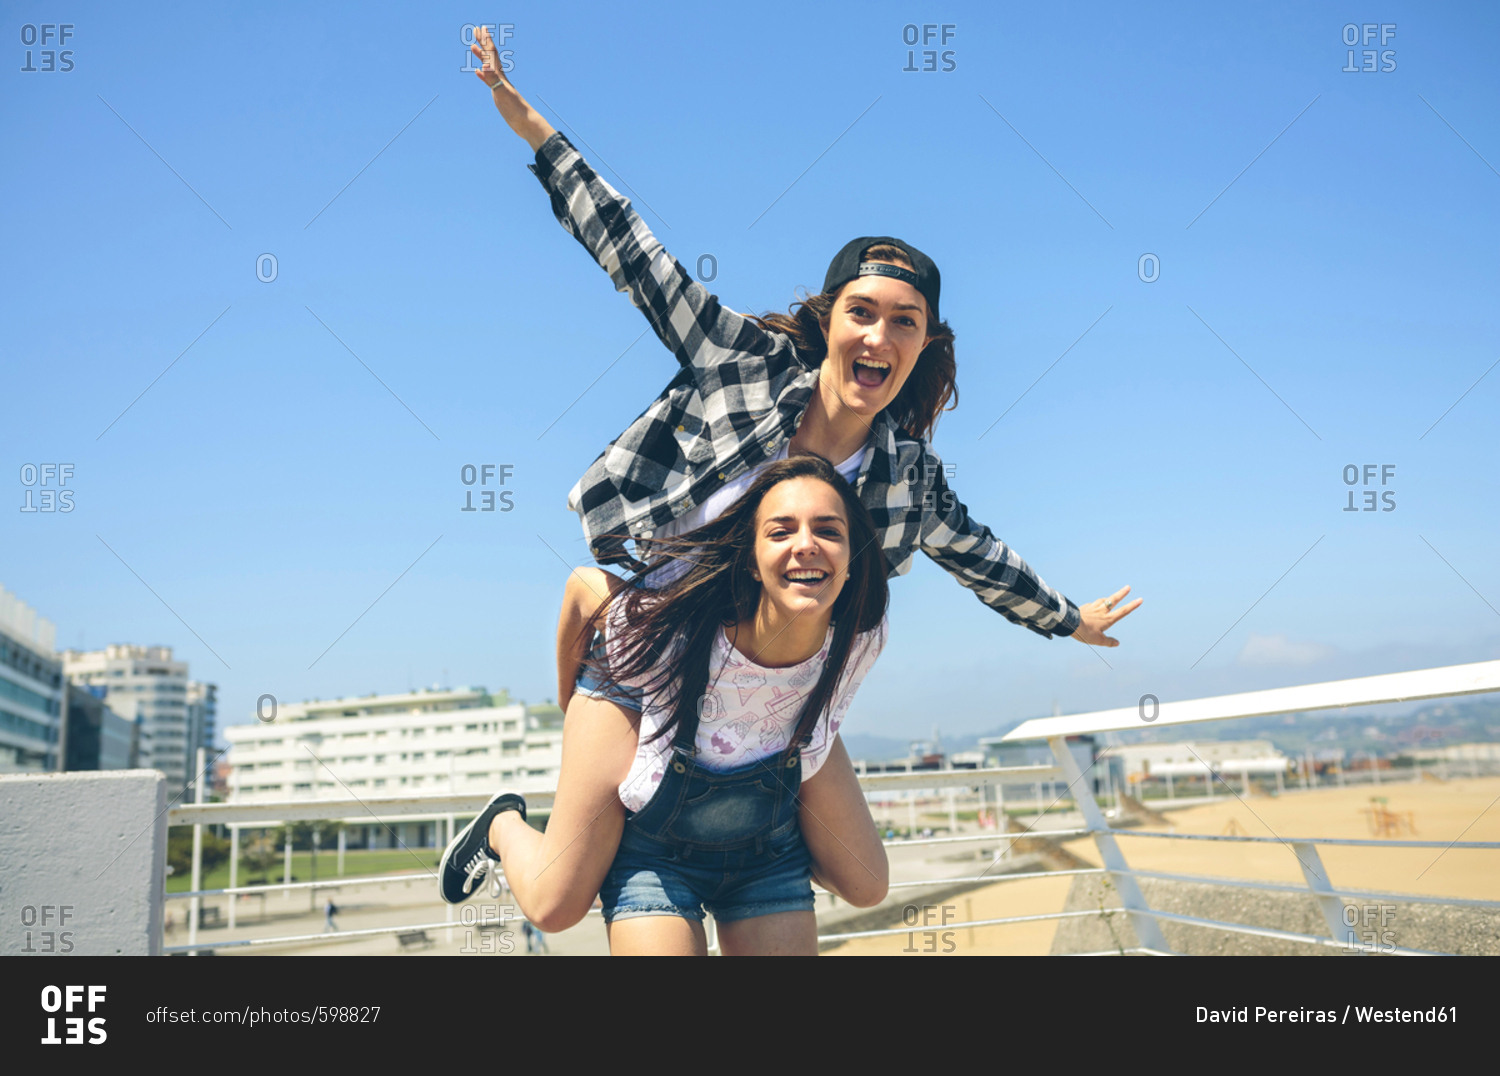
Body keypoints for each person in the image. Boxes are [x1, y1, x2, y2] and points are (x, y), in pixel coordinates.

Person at [439, 27, 1141, 940]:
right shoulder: (748, 366)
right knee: (559, 901)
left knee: (865, 879)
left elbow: (979, 555)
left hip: (770, 693)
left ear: (925, 343)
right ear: (830, 317)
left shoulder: (902, 476)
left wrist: (1067, 617)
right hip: (651, 656)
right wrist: (536, 131)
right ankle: (522, 821)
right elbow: (641, 264)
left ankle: (744, 861)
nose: (878, 339)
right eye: (862, 313)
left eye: (905, 323)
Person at [446, 456, 889, 955]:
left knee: (870, 883)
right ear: (750, 560)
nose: (806, 545)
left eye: (828, 531)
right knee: (555, 906)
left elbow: (821, 725)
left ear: (853, 555)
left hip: (764, 848)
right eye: (780, 532)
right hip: (655, 845)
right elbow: (581, 590)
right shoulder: (676, 638)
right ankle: (503, 825)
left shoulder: (862, 640)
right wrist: (568, 699)